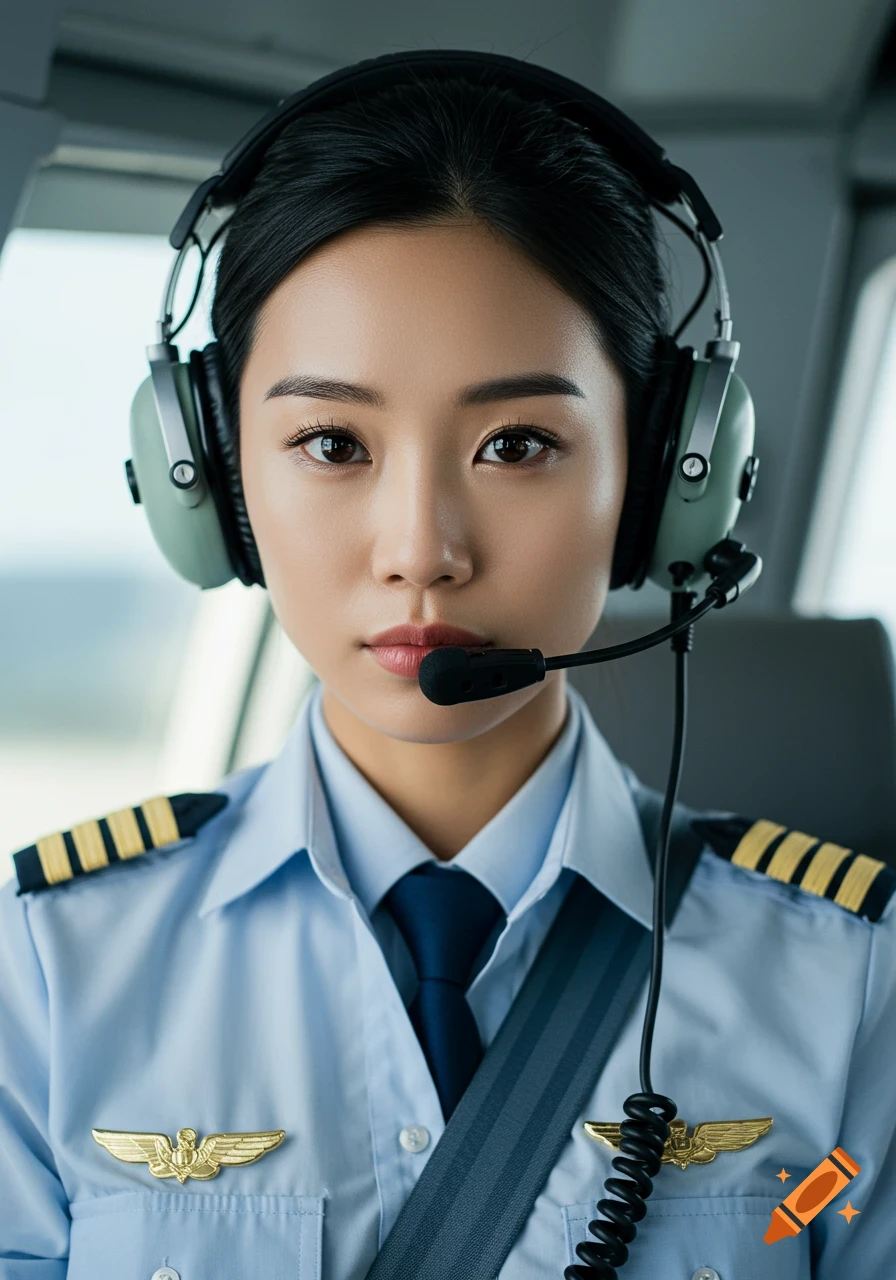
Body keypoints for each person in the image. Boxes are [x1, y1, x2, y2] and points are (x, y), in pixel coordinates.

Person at [1, 57, 894, 1280]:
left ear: (660, 478)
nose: (420, 548)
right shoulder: (45, 974)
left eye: (515, 442)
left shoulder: (851, 987)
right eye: (331, 442)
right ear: (207, 476)